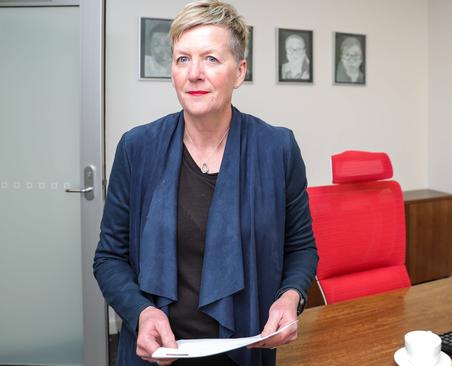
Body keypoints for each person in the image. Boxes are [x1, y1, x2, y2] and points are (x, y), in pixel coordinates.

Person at [93, 1, 318, 365]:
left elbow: (302, 248)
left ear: (240, 71)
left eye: (211, 59)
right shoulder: (137, 148)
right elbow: (109, 258)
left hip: (245, 347)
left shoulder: (278, 148)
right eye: (183, 59)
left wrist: (291, 296)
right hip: (156, 354)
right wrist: (141, 312)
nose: (194, 73)